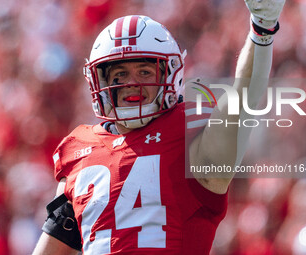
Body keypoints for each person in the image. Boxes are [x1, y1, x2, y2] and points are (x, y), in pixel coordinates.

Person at [33, 0, 285, 254]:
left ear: (169, 74)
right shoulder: (79, 151)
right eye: (119, 74)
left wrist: (261, 30)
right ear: (100, 81)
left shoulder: (189, 134)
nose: (132, 83)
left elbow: (242, 98)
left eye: (144, 72)